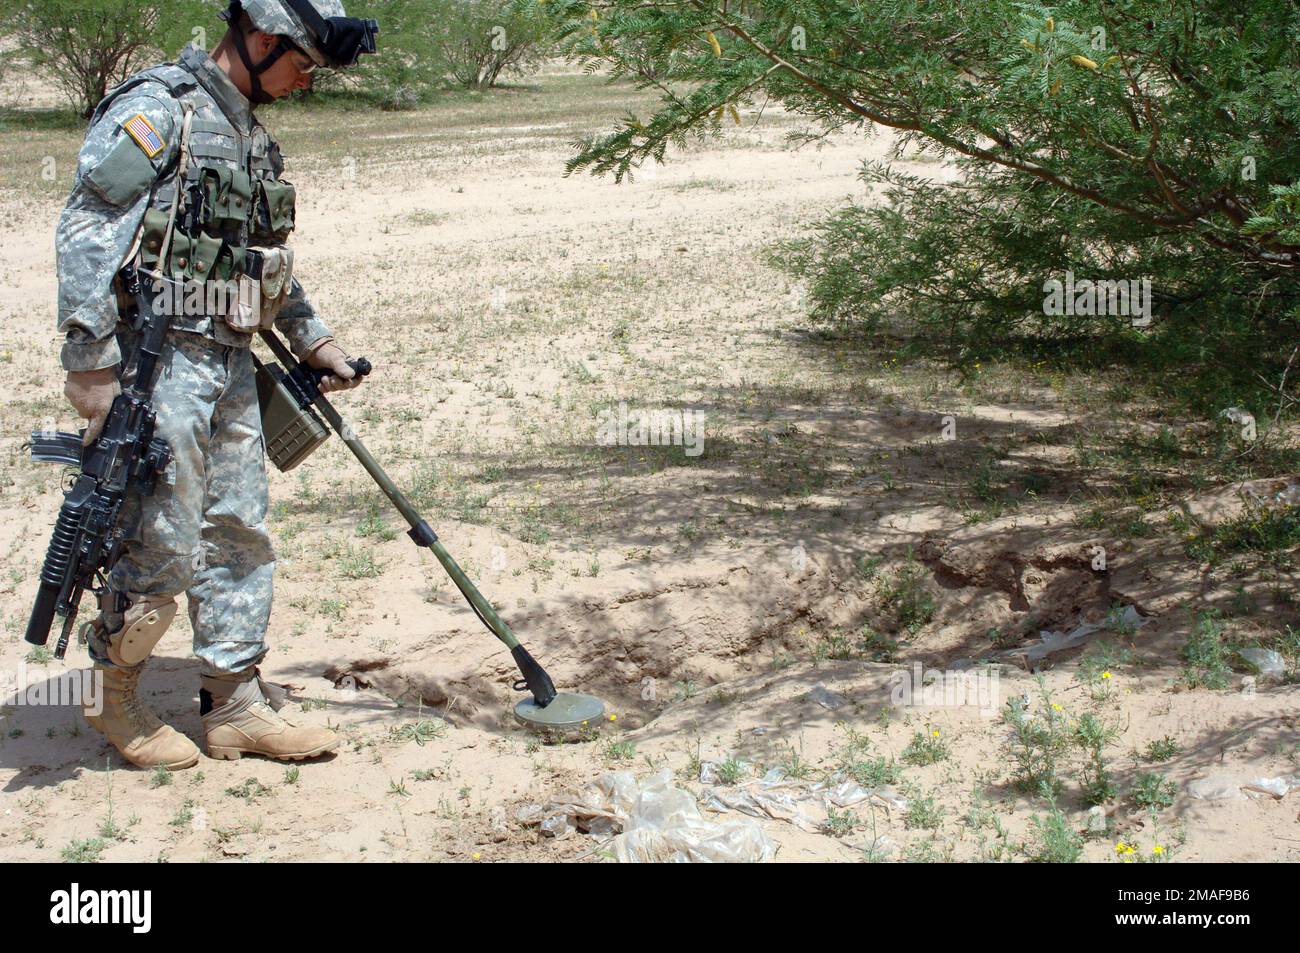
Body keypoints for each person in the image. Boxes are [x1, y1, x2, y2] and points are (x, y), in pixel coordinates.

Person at [56, 0, 378, 769]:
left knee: (238, 530)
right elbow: (87, 227)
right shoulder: (157, 111)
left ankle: (230, 704)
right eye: (302, 63)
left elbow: (260, 259)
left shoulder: (248, 137)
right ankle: (115, 699)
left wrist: (315, 339)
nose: (305, 81)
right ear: (263, 39)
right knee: (159, 535)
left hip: (231, 359)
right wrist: (90, 365)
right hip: (155, 363)